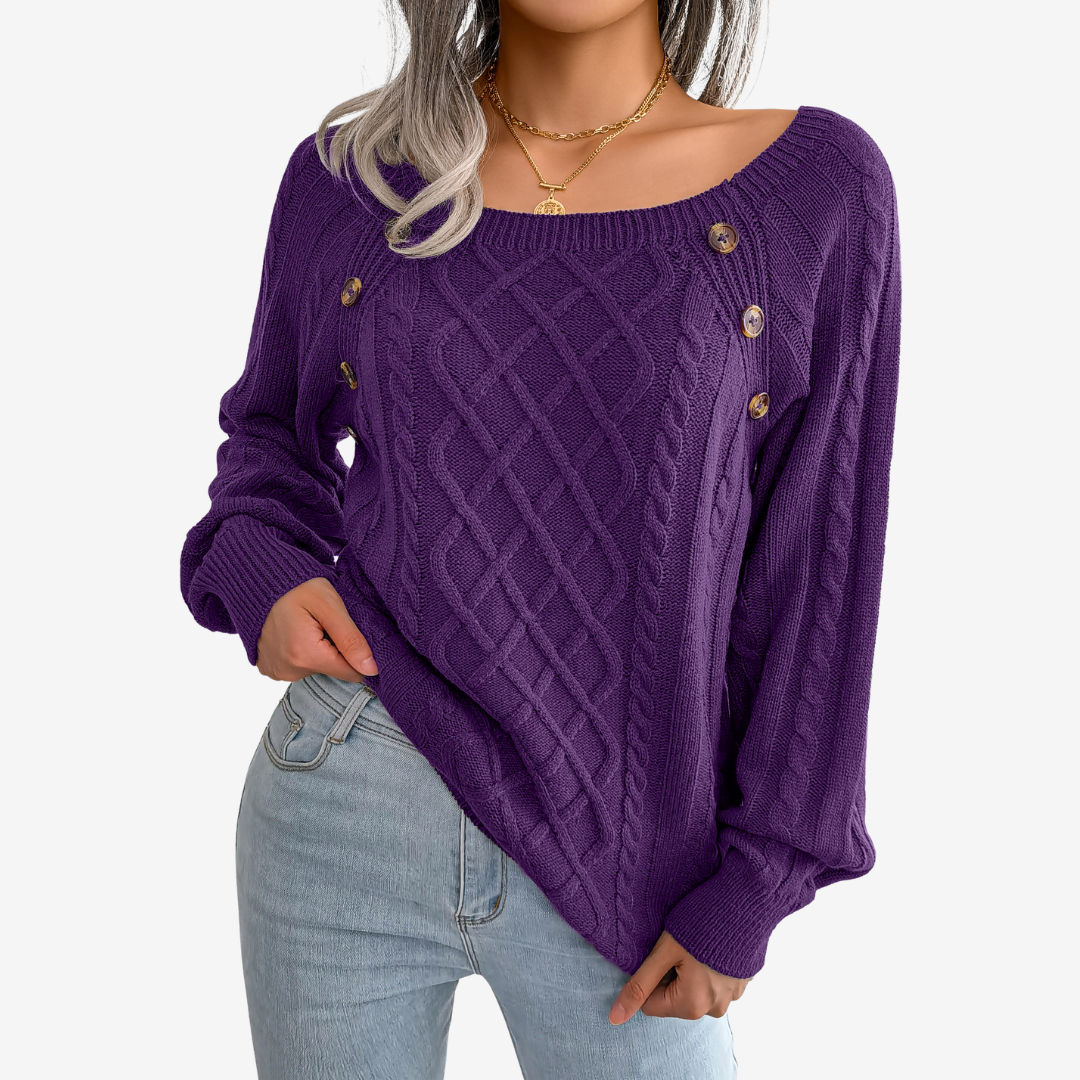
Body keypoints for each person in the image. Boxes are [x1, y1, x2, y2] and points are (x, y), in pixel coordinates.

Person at [178, 1, 902, 1076]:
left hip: (637, 862)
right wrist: (265, 574)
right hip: (348, 794)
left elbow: (819, 567)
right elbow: (269, 440)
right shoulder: (354, 180)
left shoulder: (812, 191)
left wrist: (757, 882)